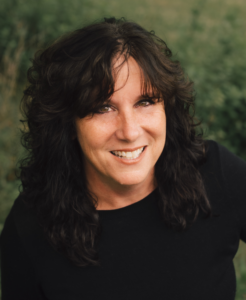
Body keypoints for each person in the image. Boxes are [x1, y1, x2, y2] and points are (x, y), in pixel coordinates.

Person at [1, 17, 246, 300]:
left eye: (145, 102)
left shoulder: (216, 173)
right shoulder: (30, 225)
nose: (129, 131)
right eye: (103, 107)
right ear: (68, 124)